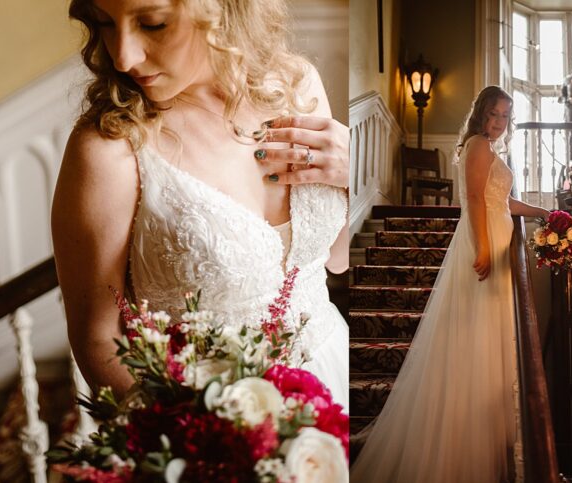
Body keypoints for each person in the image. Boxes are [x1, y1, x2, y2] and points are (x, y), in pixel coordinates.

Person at [51, 0, 351, 409]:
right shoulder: (107, 148)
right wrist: (196, 438)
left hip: (335, 371)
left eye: (152, 23)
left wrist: (350, 175)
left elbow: (337, 258)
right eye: (105, 22)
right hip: (208, 422)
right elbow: (97, 340)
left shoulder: (296, 86)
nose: (123, 56)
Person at [351, 86, 550, 482]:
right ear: (481, 114)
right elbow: (475, 199)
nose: (499, 122)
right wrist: (482, 246)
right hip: (485, 244)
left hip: (495, 238)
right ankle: (462, 443)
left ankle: (485, 433)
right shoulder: (478, 145)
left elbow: (503, 202)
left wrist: (542, 210)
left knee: (488, 334)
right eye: (494, 114)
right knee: (474, 335)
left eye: (506, 116)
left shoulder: (490, 149)